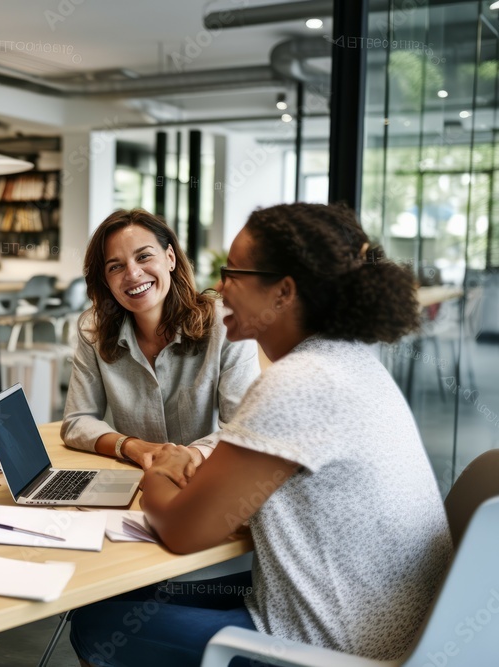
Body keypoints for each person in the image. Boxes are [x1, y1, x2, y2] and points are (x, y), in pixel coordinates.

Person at [70, 203, 453, 666]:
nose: (221, 286)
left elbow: (182, 531)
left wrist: (164, 465)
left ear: (283, 292)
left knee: (96, 625)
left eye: (234, 272)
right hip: (372, 626)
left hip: (327, 645)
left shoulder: (298, 383)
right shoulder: (343, 359)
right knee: (113, 602)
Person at [61, 208, 259, 473]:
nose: (132, 273)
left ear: (170, 258)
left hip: (207, 477)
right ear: (106, 281)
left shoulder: (227, 326)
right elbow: (76, 421)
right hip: (134, 479)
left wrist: (187, 457)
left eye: (143, 256)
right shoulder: (93, 331)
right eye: (115, 266)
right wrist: (131, 446)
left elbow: (243, 429)